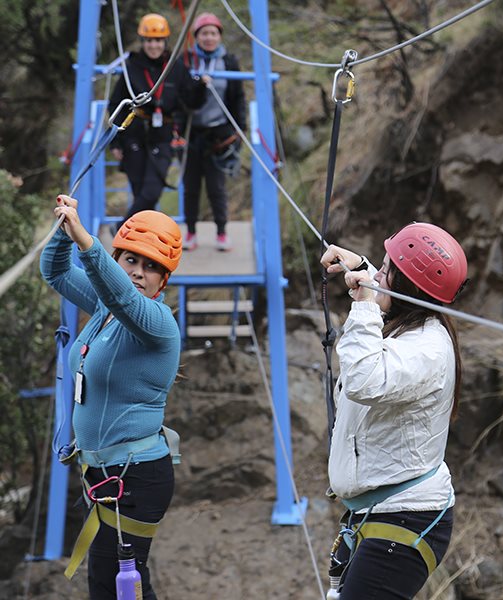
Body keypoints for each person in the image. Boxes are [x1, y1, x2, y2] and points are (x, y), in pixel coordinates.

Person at [40, 195, 183, 599]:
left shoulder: (157, 324)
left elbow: (123, 297)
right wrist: (64, 231)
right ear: (117, 260)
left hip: (134, 478)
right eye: (130, 260)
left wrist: (85, 240)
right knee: (116, 584)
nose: (138, 272)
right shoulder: (106, 307)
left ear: (163, 281)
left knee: (114, 585)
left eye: (151, 267)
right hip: (104, 474)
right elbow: (55, 271)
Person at [320, 222, 468, 600]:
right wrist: (364, 268)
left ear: (406, 288)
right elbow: (400, 291)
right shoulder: (413, 320)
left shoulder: (427, 350)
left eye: (385, 269)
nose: (377, 275)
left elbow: (364, 379)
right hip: (381, 511)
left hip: (406, 518)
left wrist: (365, 305)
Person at [109, 13, 206, 227]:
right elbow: (116, 104)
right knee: (139, 191)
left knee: (152, 191)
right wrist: (115, 141)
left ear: (165, 42)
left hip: (162, 134)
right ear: (142, 41)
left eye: (158, 40)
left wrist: (201, 87)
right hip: (134, 133)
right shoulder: (131, 67)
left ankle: (122, 229)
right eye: (149, 40)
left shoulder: (175, 68)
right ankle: (138, 239)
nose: (154, 45)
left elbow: (192, 102)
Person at [181, 12, 246, 252]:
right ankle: (190, 232)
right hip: (192, 132)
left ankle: (221, 232)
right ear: (196, 36)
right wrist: (199, 84)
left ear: (219, 36)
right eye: (204, 33)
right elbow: (184, 97)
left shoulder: (229, 61)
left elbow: (238, 96)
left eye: (213, 33)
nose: (209, 38)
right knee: (191, 187)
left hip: (219, 134)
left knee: (216, 187)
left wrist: (240, 128)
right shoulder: (187, 61)